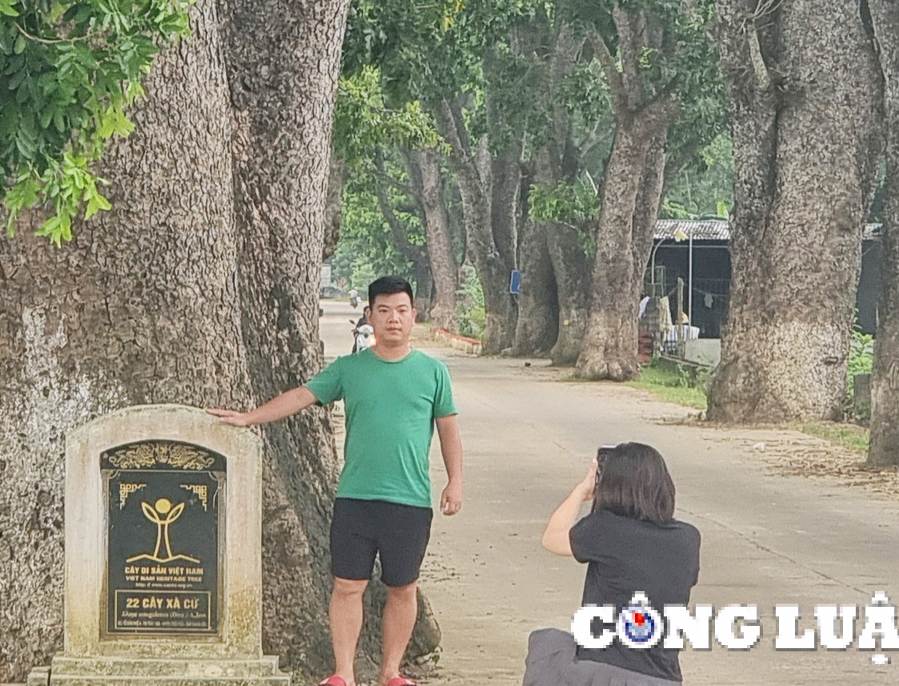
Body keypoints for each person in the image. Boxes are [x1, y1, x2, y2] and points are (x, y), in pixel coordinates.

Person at [206, 276, 462, 686]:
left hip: (410, 500)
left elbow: (448, 429)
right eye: (384, 310)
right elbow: (301, 396)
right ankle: (343, 672)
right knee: (347, 585)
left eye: (401, 310)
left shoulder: (433, 372)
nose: (393, 319)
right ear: (370, 316)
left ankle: (391, 672)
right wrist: (249, 417)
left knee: (403, 587)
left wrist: (455, 481)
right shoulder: (349, 369)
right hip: (356, 498)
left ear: (414, 316)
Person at [525, 443, 701, 686]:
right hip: (662, 678)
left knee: (548, 645)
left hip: (601, 674)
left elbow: (552, 538)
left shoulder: (603, 528)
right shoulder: (688, 538)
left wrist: (581, 491)